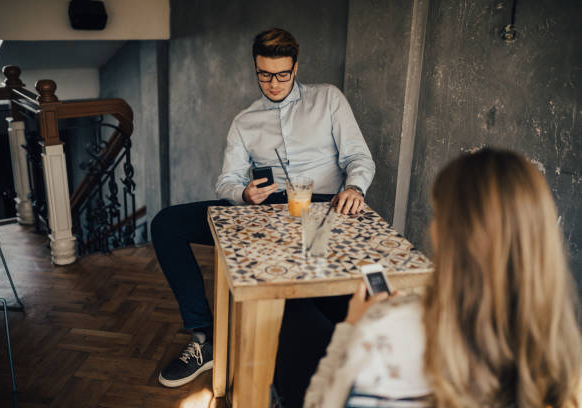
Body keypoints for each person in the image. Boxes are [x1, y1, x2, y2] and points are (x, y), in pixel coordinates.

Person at [151, 27, 375, 388]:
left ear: (295, 67)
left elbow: (358, 157)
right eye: (265, 75)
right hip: (261, 207)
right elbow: (225, 182)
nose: (273, 83)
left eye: (282, 74)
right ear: (256, 69)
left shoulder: (329, 99)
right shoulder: (244, 121)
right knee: (166, 224)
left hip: (321, 206)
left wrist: (354, 186)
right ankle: (204, 340)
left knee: (318, 297)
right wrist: (243, 194)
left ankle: (327, 358)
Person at [303, 148, 582, 408]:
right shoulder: (565, 356)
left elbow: (319, 402)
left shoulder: (385, 329)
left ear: (446, 233)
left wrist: (353, 325)